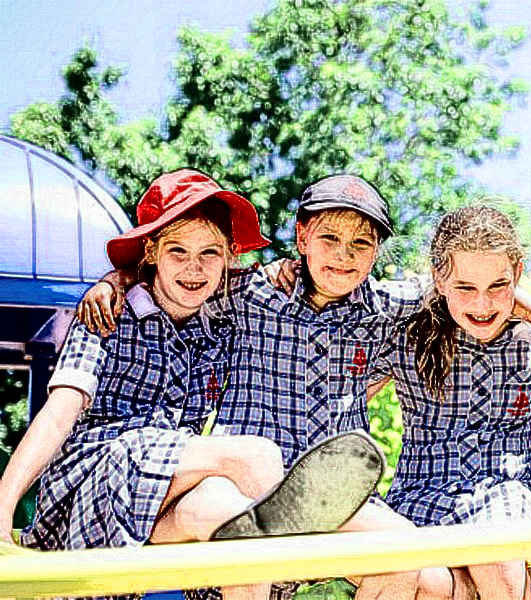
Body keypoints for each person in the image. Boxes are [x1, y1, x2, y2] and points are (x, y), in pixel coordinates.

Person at [78, 175, 531, 600]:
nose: (344, 256)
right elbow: (178, 268)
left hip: (336, 493)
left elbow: (471, 283)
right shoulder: (249, 292)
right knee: (241, 555)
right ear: (301, 237)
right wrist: (116, 280)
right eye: (329, 240)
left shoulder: (386, 308)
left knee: (424, 574)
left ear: (377, 251)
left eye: (361, 244)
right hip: (251, 492)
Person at [0, 170, 383, 600]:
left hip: (158, 501)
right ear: (151, 251)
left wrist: (286, 267)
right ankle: (298, 551)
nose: (194, 268)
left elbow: (284, 294)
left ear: (229, 257)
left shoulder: (224, 321)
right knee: (258, 455)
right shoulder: (109, 316)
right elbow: (58, 415)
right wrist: (2, 509)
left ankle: (272, 566)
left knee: (228, 513)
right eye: (177, 251)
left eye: (209, 253)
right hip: (97, 479)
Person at [369, 205, 531, 600]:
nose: (482, 304)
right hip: (423, 491)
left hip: (507, 489)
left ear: (518, 275)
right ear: (439, 278)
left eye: (497, 286)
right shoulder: (406, 333)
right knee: (424, 582)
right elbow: (351, 294)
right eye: (465, 288)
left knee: (496, 557)